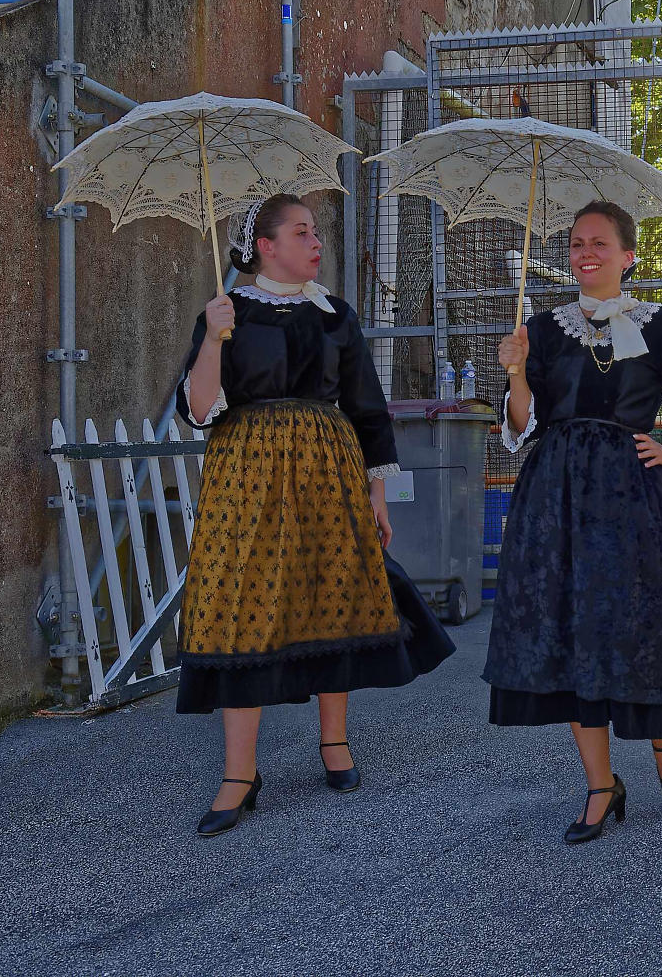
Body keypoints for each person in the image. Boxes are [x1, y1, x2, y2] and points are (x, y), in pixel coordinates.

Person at [176, 195, 455, 838]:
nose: (316, 242)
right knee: (239, 605)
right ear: (265, 246)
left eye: (316, 232)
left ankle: (336, 743)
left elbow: (367, 407)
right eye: (302, 232)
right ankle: (239, 774)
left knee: (333, 591)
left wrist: (378, 492)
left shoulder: (336, 316)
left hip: (328, 470)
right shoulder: (228, 313)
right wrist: (213, 339)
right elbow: (198, 411)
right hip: (246, 474)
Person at [484, 201, 662, 845]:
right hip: (557, 499)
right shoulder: (541, 329)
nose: (584, 252)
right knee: (570, 633)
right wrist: (515, 373)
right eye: (574, 243)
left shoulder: (661, 327)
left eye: (598, 243)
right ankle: (601, 785)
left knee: (638, 627)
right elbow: (523, 424)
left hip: (631, 499)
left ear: (628, 256)